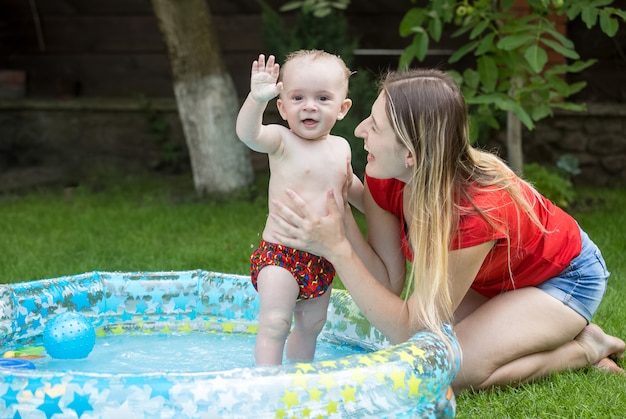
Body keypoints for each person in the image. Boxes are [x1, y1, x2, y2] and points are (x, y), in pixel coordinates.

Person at [268, 68, 625, 391]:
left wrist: (337, 248)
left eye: (375, 127)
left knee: (452, 372)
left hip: (562, 278)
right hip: (496, 280)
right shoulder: (385, 176)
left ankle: (586, 346)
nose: (360, 129)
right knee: (415, 351)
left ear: (410, 153)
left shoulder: (476, 212)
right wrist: (341, 214)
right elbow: (388, 282)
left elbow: (406, 323)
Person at [235, 51, 363, 365]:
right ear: (282, 107)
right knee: (276, 323)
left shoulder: (341, 147)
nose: (309, 106)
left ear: (342, 108)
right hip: (281, 253)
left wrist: (384, 210)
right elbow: (247, 134)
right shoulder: (281, 141)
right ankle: (267, 384)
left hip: (322, 255)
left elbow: (353, 189)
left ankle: (299, 379)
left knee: (311, 326)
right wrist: (256, 99)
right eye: (297, 97)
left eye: (322, 98)